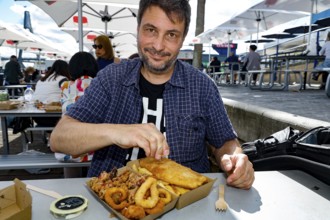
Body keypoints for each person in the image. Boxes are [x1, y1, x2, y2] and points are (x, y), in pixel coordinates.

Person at [50, 0, 254, 190]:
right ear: (138, 29)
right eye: (151, 30)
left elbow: (225, 142)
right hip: (111, 199)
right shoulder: (110, 79)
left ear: (182, 39)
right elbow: (59, 139)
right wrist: (117, 132)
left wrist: (235, 158)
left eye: (171, 35)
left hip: (187, 204)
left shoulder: (202, 86)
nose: (158, 46)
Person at [56, 52, 99, 177]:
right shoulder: (100, 85)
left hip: (68, 150)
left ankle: (69, 185)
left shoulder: (65, 86)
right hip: (94, 149)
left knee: (70, 164)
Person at [32, 59, 71, 127]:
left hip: (37, 116)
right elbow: (69, 96)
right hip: (54, 117)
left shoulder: (41, 80)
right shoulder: (63, 80)